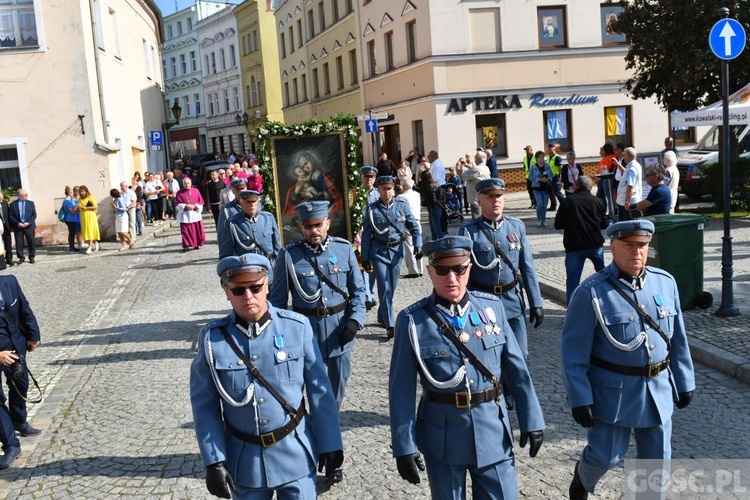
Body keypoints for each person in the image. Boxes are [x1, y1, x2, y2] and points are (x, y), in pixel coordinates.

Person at [389, 235, 545, 498]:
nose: (452, 278)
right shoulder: (412, 321)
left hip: (492, 430)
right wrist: (404, 446)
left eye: (459, 269)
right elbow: (401, 389)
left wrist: (532, 419)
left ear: (469, 268)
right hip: (443, 437)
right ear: (430, 271)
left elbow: (517, 372)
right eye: (442, 270)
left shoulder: (492, 309)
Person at [190, 254, 344, 498]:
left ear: (267, 285)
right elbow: (204, 407)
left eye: (255, 287)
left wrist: (331, 443)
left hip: (295, 455)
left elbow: (321, 392)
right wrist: (214, 461)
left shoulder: (297, 327)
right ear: (226, 291)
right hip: (245, 463)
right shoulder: (212, 340)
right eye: (238, 290)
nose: (248, 296)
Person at [562, 220, 695, 500]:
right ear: (612, 247)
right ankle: (582, 478)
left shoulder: (665, 282)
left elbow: (678, 339)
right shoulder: (591, 292)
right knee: (605, 457)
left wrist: (684, 380)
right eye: (628, 245)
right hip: (613, 392)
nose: (636, 252)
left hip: (657, 388)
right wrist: (580, 397)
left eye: (642, 245)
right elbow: (574, 352)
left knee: (656, 466)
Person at [270, 199, 365, 411]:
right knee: (311, 387)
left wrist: (355, 321)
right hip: (306, 333)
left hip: (339, 331)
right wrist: (283, 335)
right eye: (309, 226)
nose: (314, 230)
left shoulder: (344, 249)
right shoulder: (288, 256)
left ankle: (330, 422)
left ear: (328, 224)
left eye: (318, 225)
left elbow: (359, 291)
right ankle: (318, 426)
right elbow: (278, 302)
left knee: (337, 386)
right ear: (301, 227)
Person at [459, 178, 544, 361]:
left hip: (512, 301)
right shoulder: (469, 231)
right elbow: (463, 273)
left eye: (499, 196)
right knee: (490, 356)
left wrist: (536, 303)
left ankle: (515, 390)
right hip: (483, 304)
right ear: (479, 201)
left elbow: (527, 267)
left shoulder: (516, 227)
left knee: (520, 356)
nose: (495, 200)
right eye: (490, 197)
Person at [361, 176, 422, 339]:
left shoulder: (402, 206)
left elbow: (413, 226)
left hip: (396, 251)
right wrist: (365, 257)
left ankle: (382, 313)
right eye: (384, 189)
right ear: (378, 190)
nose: (387, 192)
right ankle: (390, 324)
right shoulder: (371, 210)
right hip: (378, 252)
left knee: (392, 286)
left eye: (389, 189)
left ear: (394, 189)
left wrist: (418, 244)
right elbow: (367, 234)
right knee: (384, 285)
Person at [0, 274, 42, 450]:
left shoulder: (9, 281)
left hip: (15, 347)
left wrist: (33, 336)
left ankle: (19, 421)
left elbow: (25, 309)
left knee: (21, 384)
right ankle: (11, 445)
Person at [554, 176, 608, 304]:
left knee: (573, 282)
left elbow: (558, 225)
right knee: (603, 277)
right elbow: (604, 224)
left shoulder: (567, 202)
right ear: (591, 187)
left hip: (574, 247)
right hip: (595, 245)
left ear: (576, 186)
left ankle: (573, 310)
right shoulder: (598, 201)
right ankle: (605, 303)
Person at [219, 190, 281, 268]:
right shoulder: (233, 223)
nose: (252, 205)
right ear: (241, 203)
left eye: (254, 201)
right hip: (246, 271)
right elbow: (226, 254)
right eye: (248, 202)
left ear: (258, 202)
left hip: (269, 269)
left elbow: (277, 247)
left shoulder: (268, 218)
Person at [282, 152, 344, 217]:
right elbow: (294, 202)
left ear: (311, 160)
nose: (306, 168)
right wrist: (296, 192)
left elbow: (332, 197)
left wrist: (312, 196)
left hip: (327, 208)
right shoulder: (306, 179)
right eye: (303, 167)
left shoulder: (324, 176)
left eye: (306, 163)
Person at [357, 166, 380, 311]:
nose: (369, 179)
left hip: (376, 235)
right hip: (360, 236)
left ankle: (369, 293)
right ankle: (367, 297)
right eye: (366, 177)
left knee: (373, 268)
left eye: (371, 177)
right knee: (362, 266)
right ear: (361, 178)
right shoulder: (355, 194)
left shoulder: (378, 194)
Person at [396, 177, 423, 278]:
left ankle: (413, 270)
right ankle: (420, 269)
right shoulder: (417, 194)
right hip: (417, 220)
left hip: (407, 222)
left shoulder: (401, 197)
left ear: (403, 186)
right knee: (418, 245)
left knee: (409, 246)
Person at [174, 177, 206, 251]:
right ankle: (186, 244)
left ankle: (196, 244)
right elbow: (177, 203)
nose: (187, 185)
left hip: (194, 214)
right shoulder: (179, 192)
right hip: (185, 214)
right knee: (185, 230)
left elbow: (200, 201)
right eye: (185, 183)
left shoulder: (196, 191)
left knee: (196, 230)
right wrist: (185, 206)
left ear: (191, 183)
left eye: (188, 183)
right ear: (183, 184)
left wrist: (194, 206)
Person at [613, 147, 643, 222]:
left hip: (628, 201)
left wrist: (627, 202)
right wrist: (618, 164)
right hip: (628, 200)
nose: (623, 157)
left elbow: (630, 187)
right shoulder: (633, 166)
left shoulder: (632, 168)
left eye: (625, 155)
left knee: (627, 223)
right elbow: (625, 172)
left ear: (629, 156)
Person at [8, 190, 37, 264]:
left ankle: (31, 257)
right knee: (19, 242)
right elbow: (10, 215)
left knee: (31, 241)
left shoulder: (30, 203)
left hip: (29, 226)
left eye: (27, 194)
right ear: (20, 196)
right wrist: (17, 223)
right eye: (25, 195)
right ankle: (21, 257)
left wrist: (28, 222)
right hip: (18, 226)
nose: (27, 196)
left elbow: (34, 215)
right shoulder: (13, 204)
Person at [462, 150, 491, 219]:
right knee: (483, 217)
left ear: (478, 158)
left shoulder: (476, 168)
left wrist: (458, 167)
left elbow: (463, 176)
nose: (474, 157)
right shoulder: (486, 167)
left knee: (476, 218)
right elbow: (474, 173)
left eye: (475, 156)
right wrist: (468, 166)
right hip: (483, 196)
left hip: (475, 199)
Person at [529, 151, 553, 227]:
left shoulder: (547, 166)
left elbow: (551, 175)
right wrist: (538, 179)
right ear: (536, 158)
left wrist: (548, 179)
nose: (542, 159)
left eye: (543, 157)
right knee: (539, 204)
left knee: (545, 205)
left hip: (545, 188)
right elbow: (530, 177)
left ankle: (543, 220)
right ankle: (539, 220)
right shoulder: (533, 167)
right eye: (540, 157)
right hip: (537, 188)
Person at [77, 185, 100, 254]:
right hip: (83, 217)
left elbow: (95, 207)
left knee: (90, 231)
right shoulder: (80, 199)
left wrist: (86, 208)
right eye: (80, 192)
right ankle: (96, 243)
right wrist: (78, 208)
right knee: (87, 231)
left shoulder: (90, 197)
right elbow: (80, 206)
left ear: (86, 191)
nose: (81, 193)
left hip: (90, 217)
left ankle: (89, 247)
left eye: (83, 191)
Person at [546, 143, 564, 211]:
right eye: (548, 149)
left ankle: (564, 204)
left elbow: (560, 167)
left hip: (555, 177)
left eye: (550, 149)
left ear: (554, 149)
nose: (549, 150)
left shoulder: (557, 158)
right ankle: (553, 206)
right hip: (550, 178)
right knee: (551, 192)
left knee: (557, 192)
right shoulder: (549, 158)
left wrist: (560, 176)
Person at [61, 187, 79, 254]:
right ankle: (71, 248)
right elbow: (73, 211)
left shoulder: (71, 200)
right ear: (69, 193)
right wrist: (79, 209)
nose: (73, 193)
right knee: (71, 234)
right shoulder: (67, 201)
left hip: (72, 219)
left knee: (73, 233)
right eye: (72, 192)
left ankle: (73, 247)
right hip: (70, 219)